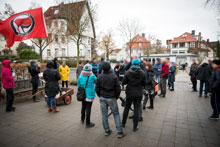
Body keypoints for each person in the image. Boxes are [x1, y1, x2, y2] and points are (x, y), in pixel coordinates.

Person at [95, 62, 126, 138]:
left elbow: (96, 89)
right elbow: (118, 89)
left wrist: (100, 96)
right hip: (111, 97)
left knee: (104, 115)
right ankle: (119, 132)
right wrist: (115, 97)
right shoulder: (114, 76)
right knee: (116, 114)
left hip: (103, 97)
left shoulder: (99, 76)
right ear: (109, 67)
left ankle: (107, 131)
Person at [122, 58, 146, 132]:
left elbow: (124, 82)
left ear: (132, 64)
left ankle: (123, 123)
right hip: (138, 93)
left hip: (130, 93)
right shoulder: (142, 73)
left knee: (126, 108)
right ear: (139, 64)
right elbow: (144, 83)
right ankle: (135, 127)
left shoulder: (128, 72)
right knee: (136, 109)